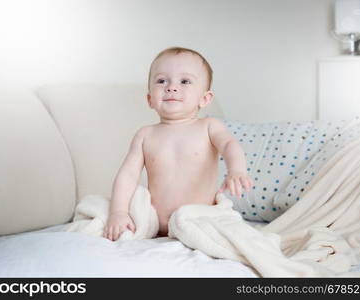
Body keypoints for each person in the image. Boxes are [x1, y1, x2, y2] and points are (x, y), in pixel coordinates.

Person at [103, 47, 253, 241]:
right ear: (150, 99)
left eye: (185, 81)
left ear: (205, 98)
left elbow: (229, 145)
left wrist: (237, 171)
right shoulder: (145, 135)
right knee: (99, 210)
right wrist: (119, 212)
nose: (171, 87)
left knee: (233, 236)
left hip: (198, 220)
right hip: (153, 223)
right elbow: (128, 175)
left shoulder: (208, 127)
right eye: (161, 81)